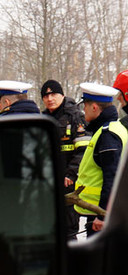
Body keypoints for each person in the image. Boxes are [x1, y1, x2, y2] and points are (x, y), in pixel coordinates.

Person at [74, 83, 128, 236]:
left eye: (84, 106)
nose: (83, 111)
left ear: (94, 108)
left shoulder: (107, 134)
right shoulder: (114, 128)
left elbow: (111, 177)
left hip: (99, 215)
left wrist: (102, 215)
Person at [40, 79, 87, 239]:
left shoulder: (75, 117)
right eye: (46, 96)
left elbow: (83, 151)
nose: (50, 99)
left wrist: (71, 174)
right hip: (48, 184)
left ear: (62, 95)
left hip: (68, 183)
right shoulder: (42, 118)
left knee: (68, 230)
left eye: (53, 94)